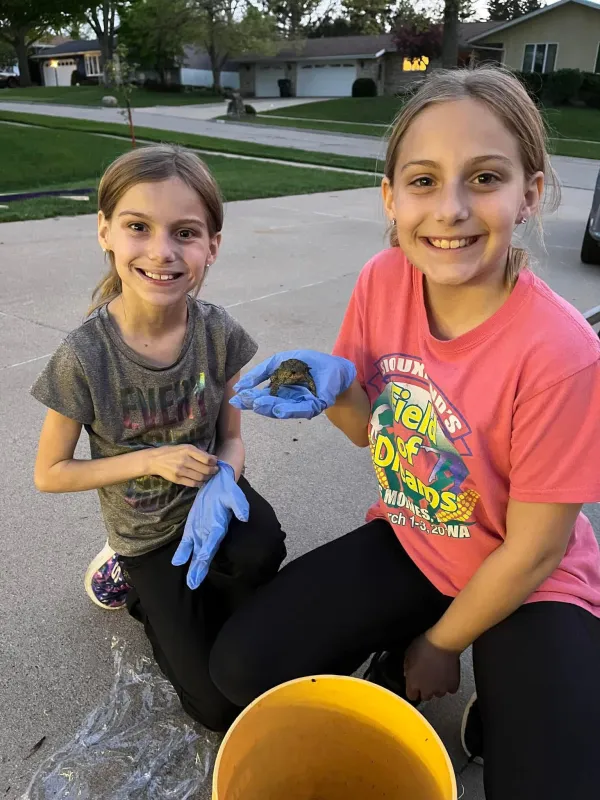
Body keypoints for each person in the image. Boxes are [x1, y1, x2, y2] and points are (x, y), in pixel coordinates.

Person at [208, 66, 600, 799]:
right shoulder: (383, 279)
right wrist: (338, 390)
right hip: (417, 538)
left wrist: (439, 645)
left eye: (485, 178)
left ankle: (498, 683)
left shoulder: (561, 350)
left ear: (531, 193)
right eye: (423, 180)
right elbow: (369, 434)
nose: (449, 209)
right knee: (240, 671)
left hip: (530, 582)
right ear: (390, 197)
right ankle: (409, 641)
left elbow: (537, 546)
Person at [30, 144, 286, 732]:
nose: (162, 251)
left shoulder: (218, 333)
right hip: (145, 532)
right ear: (105, 231)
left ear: (211, 247)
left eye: (186, 233)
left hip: (208, 505)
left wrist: (226, 475)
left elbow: (232, 438)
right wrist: (153, 459)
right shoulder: (85, 355)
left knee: (261, 550)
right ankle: (133, 583)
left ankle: (207, 596)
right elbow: (50, 473)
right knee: (216, 707)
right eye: (138, 227)